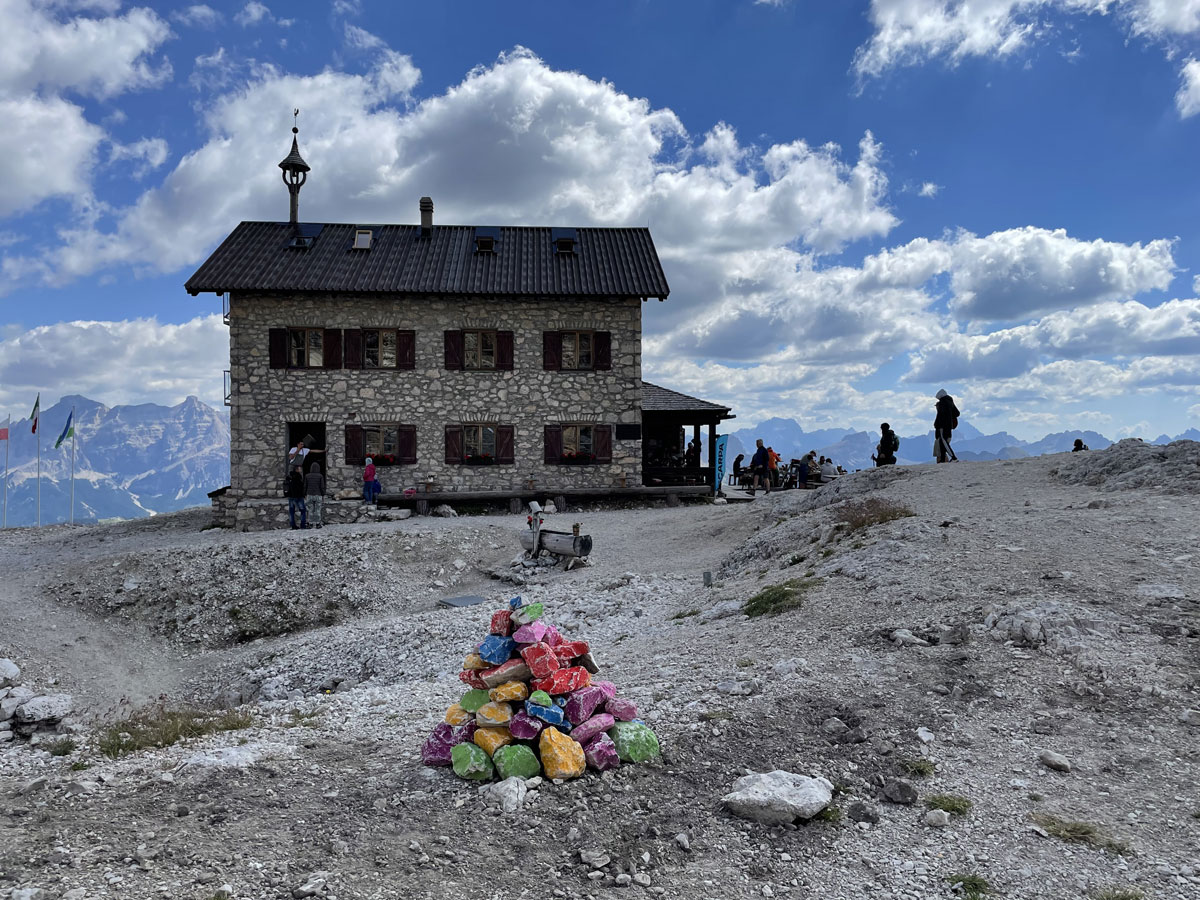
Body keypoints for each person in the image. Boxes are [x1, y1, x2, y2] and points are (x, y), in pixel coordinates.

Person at [934, 389, 960, 463]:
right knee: (942, 443)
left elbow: (940, 416)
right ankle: (942, 459)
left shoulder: (942, 403)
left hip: (942, 425)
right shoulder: (950, 402)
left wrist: (937, 425)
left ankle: (954, 458)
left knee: (944, 441)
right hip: (949, 425)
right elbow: (957, 413)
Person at [285, 464, 307, 529]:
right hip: (298, 496)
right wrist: (303, 495)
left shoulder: (289, 477)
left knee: (291, 511)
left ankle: (293, 525)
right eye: (300, 469)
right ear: (297, 469)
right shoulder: (298, 477)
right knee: (303, 510)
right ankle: (303, 525)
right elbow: (300, 487)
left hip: (291, 496)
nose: (301, 470)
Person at [305, 461, 325, 528]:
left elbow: (305, 486)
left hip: (309, 494)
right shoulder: (320, 476)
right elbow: (322, 486)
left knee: (310, 509)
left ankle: (310, 523)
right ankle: (317, 523)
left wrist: (304, 494)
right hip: (318, 494)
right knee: (317, 510)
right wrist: (323, 494)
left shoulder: (307, 476)